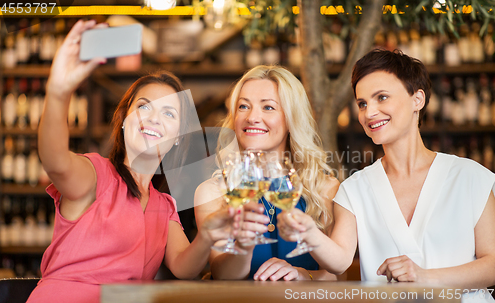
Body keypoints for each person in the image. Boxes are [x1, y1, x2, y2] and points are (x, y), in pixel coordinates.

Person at [27, 19, 262, 303]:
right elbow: (55, 160)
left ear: (178, 136)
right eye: (144, 106)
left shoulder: (164, 205)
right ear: (125, 120)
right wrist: (58, 92)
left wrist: (207, 236)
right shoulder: (96, 174)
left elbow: (185, 267)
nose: (154, 118)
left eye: (169, 114)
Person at [278, 49, 495, 300]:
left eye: (382, 97)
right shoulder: (354, 188)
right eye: (362, 103)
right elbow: (339, 261)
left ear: (418, 100)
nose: (369, 113)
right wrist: (309, 233)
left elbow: (492, 265)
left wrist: (425, 277)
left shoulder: (470, 177)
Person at [194, 65, 339, 281]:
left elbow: (336, 275)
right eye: (243, 106)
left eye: (268, 107)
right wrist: (244, 246)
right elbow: (221, 274)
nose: (252, 117)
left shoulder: (324, 188)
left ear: (291, 119)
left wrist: (302, 275)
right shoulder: (212, 192)